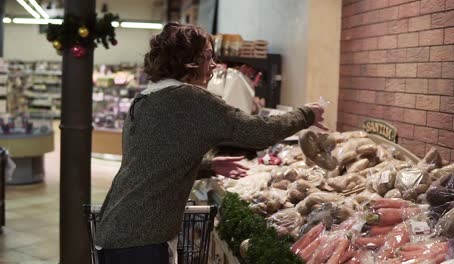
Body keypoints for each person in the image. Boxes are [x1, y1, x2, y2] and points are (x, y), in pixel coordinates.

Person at [95, 22, 326, 264]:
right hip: (141, 240)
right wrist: (305, 115)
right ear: (188, 61)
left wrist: (209, 166)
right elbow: (259, 133)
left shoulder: (144, 99)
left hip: (115, 230)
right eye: (207, 56)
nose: (213, 64)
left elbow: (152, 162)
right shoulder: (190, 99)